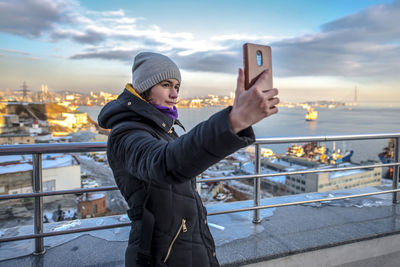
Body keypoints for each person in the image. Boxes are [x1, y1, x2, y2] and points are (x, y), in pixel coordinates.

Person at [98, 52, 279, 267]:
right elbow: (163, 164)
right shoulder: (126, 133)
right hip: (160, 252)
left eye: (177, 87)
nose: (174, 94)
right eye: (166, 85)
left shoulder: (161, 127)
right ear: (144, 87)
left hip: (183, 244)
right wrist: (233, 122)